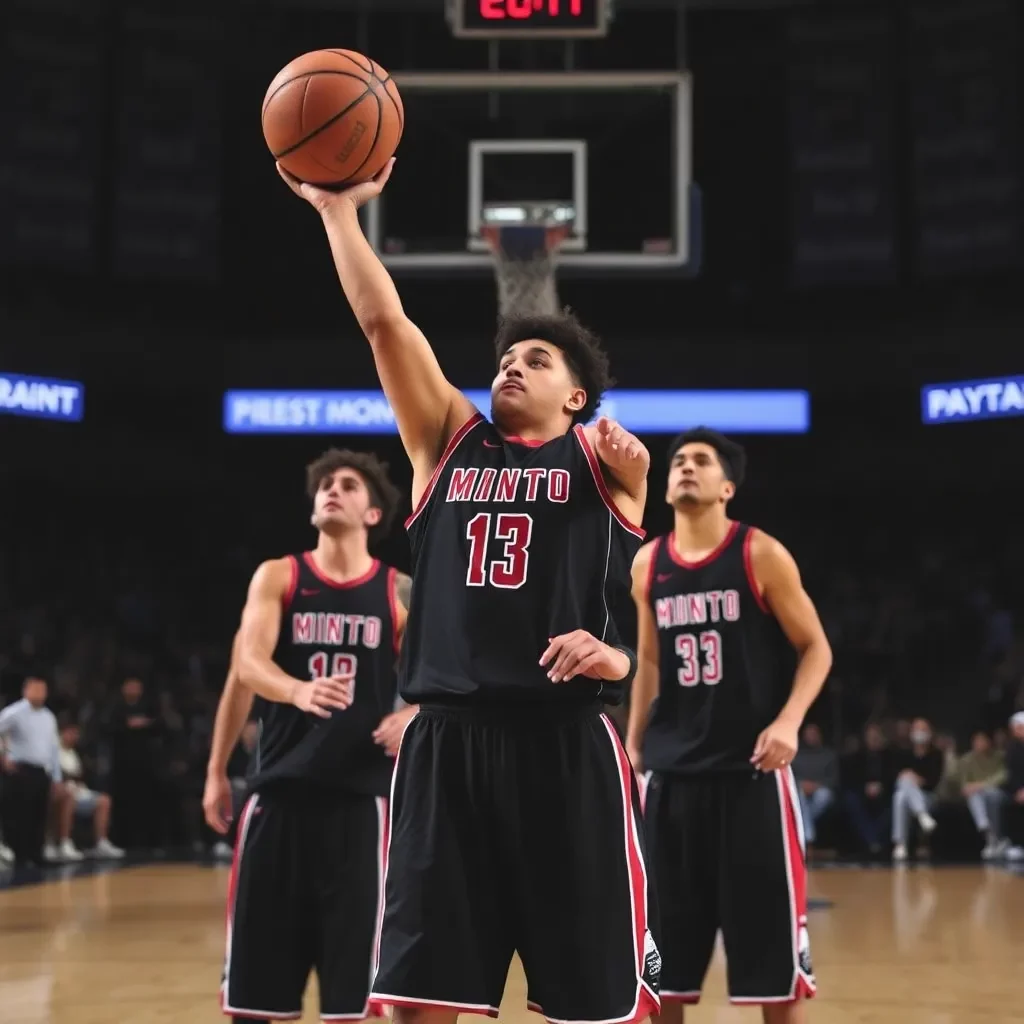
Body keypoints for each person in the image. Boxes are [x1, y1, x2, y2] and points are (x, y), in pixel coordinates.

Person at [278, 160, 659, 1024]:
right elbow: (384, 322)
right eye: (507, 358)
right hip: (447, 745)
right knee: (420, 1004)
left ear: (578, 396)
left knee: (595, 1010)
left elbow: (620, 599)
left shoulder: (606, 464)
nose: (512, 367)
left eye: (537, 360)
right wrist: (337, 212)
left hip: (565, 744)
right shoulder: (447, 442)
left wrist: (613, 655)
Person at [625, 428, 832, 1023]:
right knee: (662, 966)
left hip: (752, 776)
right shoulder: (648, 562)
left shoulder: (759, 553)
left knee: (774, 967)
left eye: (701, 461)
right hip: (672, 778)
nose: (686, 467)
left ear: (727, 487)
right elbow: (651, 662)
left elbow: (816, 648)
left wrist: (788, 722)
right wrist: (634, 746)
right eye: (678, 461)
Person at [222, 447, 415, 1022]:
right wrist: (296, 690)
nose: (332, 489)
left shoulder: (398, 590)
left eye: (349, 485)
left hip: (361, 805)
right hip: (277, 796)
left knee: (353, 1001)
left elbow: (444, 675)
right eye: (326, 483)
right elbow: (247, 665)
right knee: (254, 998)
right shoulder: (279, 574)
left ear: (373, 514)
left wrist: (415, 713)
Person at [0, 676, 63, 868]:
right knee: (20, 815)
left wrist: (57, 776)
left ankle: (37, 854)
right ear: (25, 691)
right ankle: (20, 855)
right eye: (35, 689)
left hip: (41, 770)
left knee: (39, 814)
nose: (39, 694)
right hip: (21, 769)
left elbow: (54, 747)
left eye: (42, 690)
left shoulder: (48, 716)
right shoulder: (14, 712)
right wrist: (3, 757)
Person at [55, 718, 125, 860]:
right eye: (71, 733)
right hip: (64, 793)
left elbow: (79, 774)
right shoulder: (55, 750)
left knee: (104, 800)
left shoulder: (74, 752)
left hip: (80, 792)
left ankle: (101, 843)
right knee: (69, 798)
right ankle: (65, 843)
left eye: (76, 733)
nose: (74, 737)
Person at [891, 717, 943, 862]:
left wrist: (916, 779)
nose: (920, 732)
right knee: (900, 795)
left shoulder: (936, 754)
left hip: (928, 797)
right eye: (917, 729)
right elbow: (896, 776)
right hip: (907, 794)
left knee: (902, 793)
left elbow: (933, 782)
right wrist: (908, 778)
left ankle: (900, 844)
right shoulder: (904, 752)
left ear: (930, 732)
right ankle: (922, 816)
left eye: (923, 729)